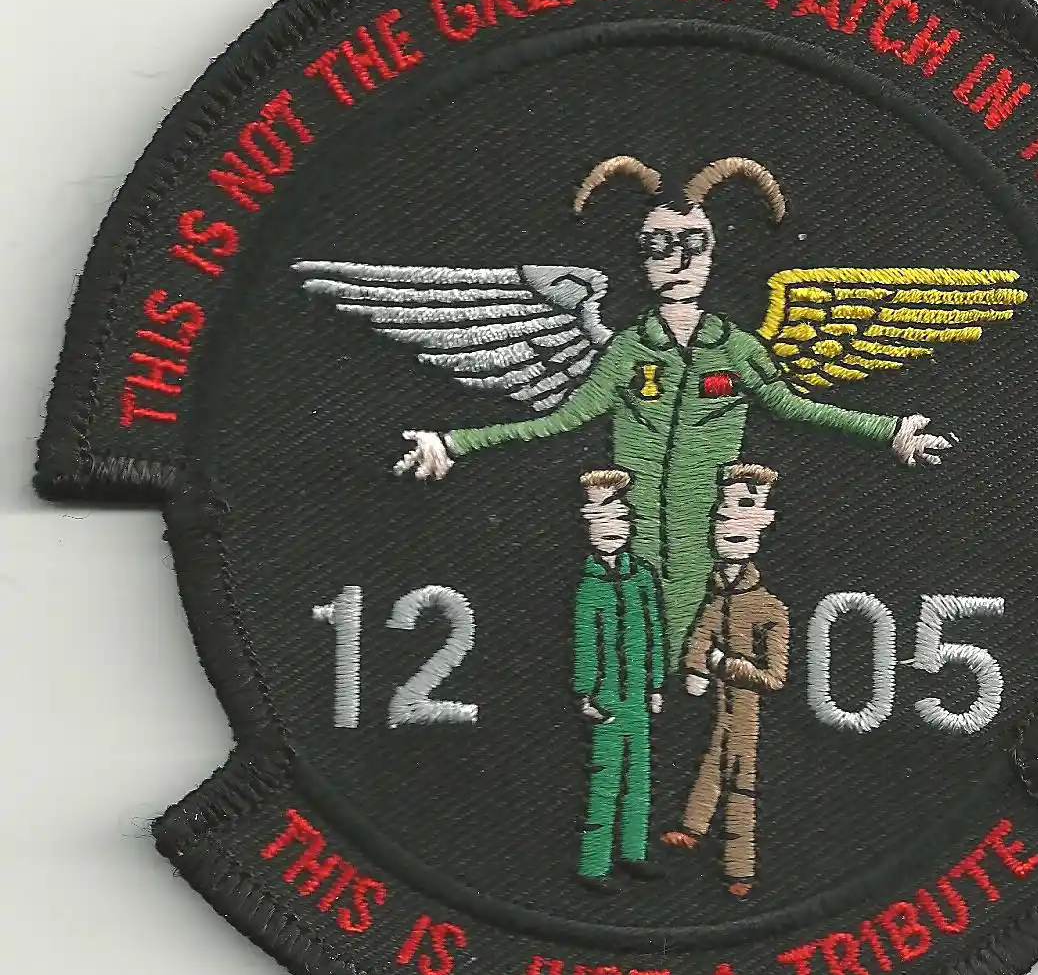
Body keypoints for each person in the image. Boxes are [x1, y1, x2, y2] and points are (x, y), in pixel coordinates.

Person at [398, 156, 951, 664]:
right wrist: (454, 442)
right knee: (642, 650)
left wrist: (891, 431)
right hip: (634, 534)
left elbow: (791, 407)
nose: (679, 261)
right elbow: (562, 420)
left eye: (693, 244)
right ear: (641, 257)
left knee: (699, 651)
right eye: (659, 246)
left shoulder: (735, 349)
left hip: (712, 533)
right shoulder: (627, 351)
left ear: (712, 253)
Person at [662, 463, 788, 899]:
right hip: (720, 703)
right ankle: (693, 828)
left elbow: (775, 677)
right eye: (723, 513)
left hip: (746, 708)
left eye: (744, 510)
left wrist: (723, 664)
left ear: (764, 522)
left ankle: (739, 868)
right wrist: (696, 666)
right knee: (714, 763)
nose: (731, 522)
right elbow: (702, 632)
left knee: (741, 780)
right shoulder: (718, 595)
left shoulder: (769, 608)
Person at [571, 469, 665, 892]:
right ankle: (593, 865)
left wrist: (657, 684)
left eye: (619, 519)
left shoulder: (642, 577)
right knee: (606, 778)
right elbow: (584, 643)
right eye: (601, 520)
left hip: (639, 696)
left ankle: (633, 852)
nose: (612, 529)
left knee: (639, 778)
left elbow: (655, 632)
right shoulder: (588, 586)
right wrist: (585, 694)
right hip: (607, 698)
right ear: (588, 527)